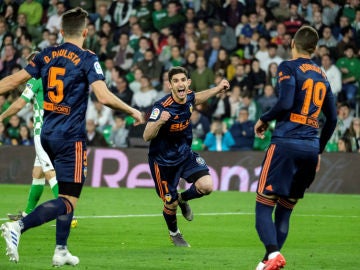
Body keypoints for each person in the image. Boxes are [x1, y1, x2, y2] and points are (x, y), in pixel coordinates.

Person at [0, 7, 144, 266]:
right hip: (70, 137)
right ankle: (18, 227)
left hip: (47, 134)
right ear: (86, 32)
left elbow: (12, 81)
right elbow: (102, 96)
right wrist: (132, 110)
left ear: (62, 31)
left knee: (64, 191)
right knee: (68, 200)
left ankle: (61, 250)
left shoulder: (45, 54)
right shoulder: (87, 58)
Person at [253, 26, 337, 270]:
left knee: (263, 204)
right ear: (314, 48)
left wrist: (263, 119)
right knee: (285, 210)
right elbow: (332, 120)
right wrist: (318, 150)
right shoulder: (322, 75)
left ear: (292, 43)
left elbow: (286, 102)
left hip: (286, 144)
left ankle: (272, 253)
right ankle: (266, 264)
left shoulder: (288, 67)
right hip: (310, 149)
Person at [143, 66, 230, 247]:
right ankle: (175, 233)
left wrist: (217, 88)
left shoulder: (189, 96)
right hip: (163, 163)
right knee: (170, 204)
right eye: (176, 81)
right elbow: (146, 136)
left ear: (188, 83)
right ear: (170, 85)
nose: (180, 84)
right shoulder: (161, 107)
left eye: (183, 80)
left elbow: (198, 97)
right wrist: (159, 121)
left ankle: (184, 199)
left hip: (185, 154)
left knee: (207, 186)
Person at [0, 55, 59, 221]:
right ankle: (27, 214)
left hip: (43, 133)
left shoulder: (35, 79)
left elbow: (20, 104)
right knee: (38, 173)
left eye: (31, 63)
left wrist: (1, 116)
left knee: (49, 173)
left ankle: (68, 212)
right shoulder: (56, 78)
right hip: (57, 130)